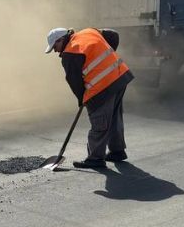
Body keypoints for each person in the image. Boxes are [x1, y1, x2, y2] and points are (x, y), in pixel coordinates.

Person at [45, 27, 133, 169]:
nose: (55, 51)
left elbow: (75, 82)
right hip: (120, 76)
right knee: (115, 117)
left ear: (61, 40)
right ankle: (117, 151)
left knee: (100, 121)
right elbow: (113, 35)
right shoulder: (88, 32)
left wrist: (82, 99)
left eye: (55, 46)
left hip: (103, 86)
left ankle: (95, 159)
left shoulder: (70, 53)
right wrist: (109, 59)